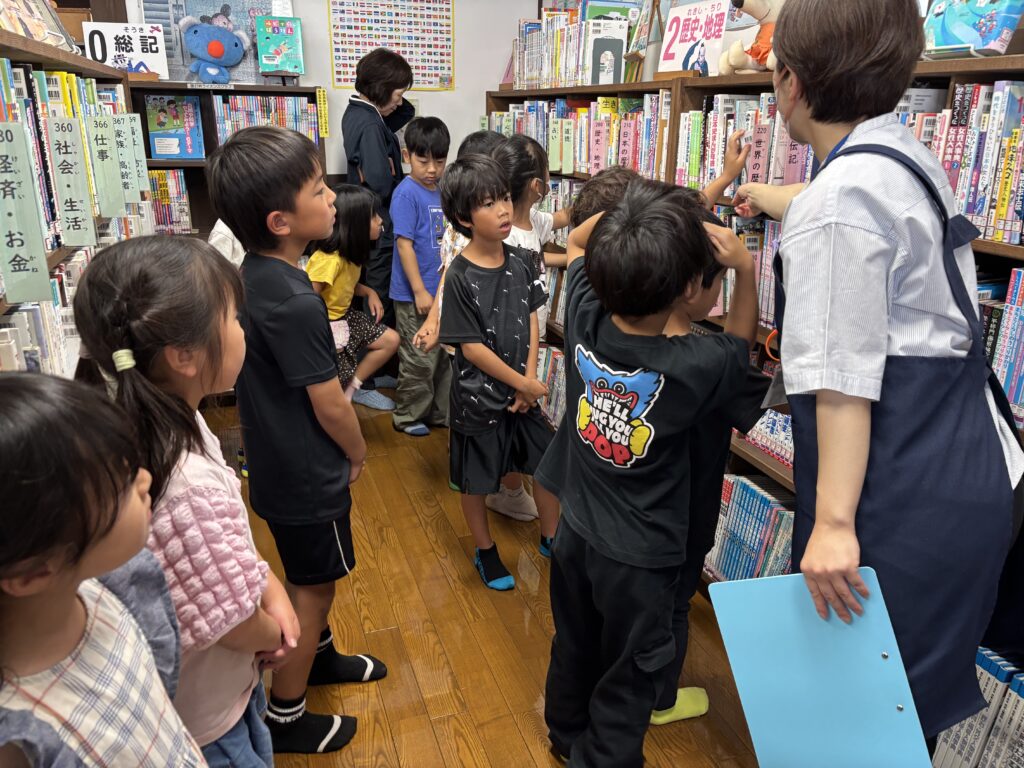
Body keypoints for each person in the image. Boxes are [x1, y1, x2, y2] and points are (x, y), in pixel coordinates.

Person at [760, 0, 1024, 749]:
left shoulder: (834, 204)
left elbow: (843, 383)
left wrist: (832, 526)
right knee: (902, 717)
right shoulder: (904, 156)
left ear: (790, 84)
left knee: (864, 723)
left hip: (900, 495)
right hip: (969, 469)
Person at [536, 179, 759, 766]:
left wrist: (634, 214)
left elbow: (578, 243)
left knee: (574, 643)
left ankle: (564, 736)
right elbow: (740, 346)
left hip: (576, 531)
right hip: (642, 561)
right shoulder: (694, 365)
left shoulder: (584, 311)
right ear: (688, 288)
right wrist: (746, 269)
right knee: (631, 675)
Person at [73, 236, 300, 767]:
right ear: (184, 355)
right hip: (209, 721)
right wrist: (273, 631)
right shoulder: (184, 479)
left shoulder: (165, 420)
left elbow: (218, 551)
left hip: (207, 696)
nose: (243, 330)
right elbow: (228, 622)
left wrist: (268, 584)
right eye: (234, 319)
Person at [207, 125, 386, 756]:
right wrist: (358, 450)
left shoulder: (251, 275)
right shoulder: (296, 301)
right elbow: (330, 401)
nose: (333, 197)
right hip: (309, 473)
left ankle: (321, 658)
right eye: (318, 189)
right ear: (281, 221)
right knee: (314, 588)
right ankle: (286, 713)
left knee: (308, 573)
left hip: (273, 462)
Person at [0, 373, 205, 767]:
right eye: (121, 484)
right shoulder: (26, 745)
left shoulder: (115, 587)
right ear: (30, 572)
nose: (145, 479)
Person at [438, 154, 561, 591]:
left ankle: (552, 537)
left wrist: (528, 381)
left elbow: (532, 319)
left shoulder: (522, 260)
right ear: (463, 218)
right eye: (489, 204)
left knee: (546, 464)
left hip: (521, 394)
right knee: (475, 480)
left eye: (505, 198)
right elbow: (470, 348)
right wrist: (521, 382)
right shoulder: (459, 274)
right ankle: (485, 550)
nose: (504, 210)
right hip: (478, 399)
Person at [307, 185, 401, 411]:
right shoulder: (329, 260)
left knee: (391, 340)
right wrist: (325, 332)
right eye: (374, 216)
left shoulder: (349, 255)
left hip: (345, 318)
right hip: (327, 326)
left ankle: (354, 388)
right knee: (332, 389)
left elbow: (345, 284)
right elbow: (307, 298)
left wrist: (369, 292)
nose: (381, 221)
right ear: (355, 224)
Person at [342, 47, 416, 331]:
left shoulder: (358, 112)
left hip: (366, 220)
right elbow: (380, 183)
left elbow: (406, 111)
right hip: (379, 221)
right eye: (398, 94)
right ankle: (379, 351)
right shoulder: (371, 125)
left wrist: (390, 95)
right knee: (379, 297)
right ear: (381, 89)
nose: (400, 101)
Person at [389, 116, 452, 437]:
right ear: (407, 156)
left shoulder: (442, 190)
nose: (432, 169)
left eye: (439, 162)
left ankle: (439, 413)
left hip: (440, 292)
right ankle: (407, 415)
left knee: (442, 356)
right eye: (423, 161)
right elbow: (404, 245)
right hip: (414, 294)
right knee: (418, 358)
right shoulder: (406, 194)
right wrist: (418, 291)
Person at [492, 133, 574, 339]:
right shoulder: (504, 235)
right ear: (537, 185)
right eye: (547, 171)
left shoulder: (533, 218)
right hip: (515, 336)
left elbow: (561, 218)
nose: (549, 178)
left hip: (536, 331)